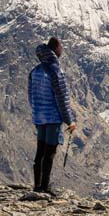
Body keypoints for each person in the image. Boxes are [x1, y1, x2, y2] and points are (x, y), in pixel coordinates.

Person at [29, 37, 77, 194]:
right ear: (56, 48)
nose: (62, 49)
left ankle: (37, 186)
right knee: (50, 152)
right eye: (61, 46)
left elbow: (31, 96)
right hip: (53, 117)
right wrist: (69, 120)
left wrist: (36, 112)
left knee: (40, 151)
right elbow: (61, 98)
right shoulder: (55, 71)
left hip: (39, 116)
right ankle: (44, 187)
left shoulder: (35, 71)